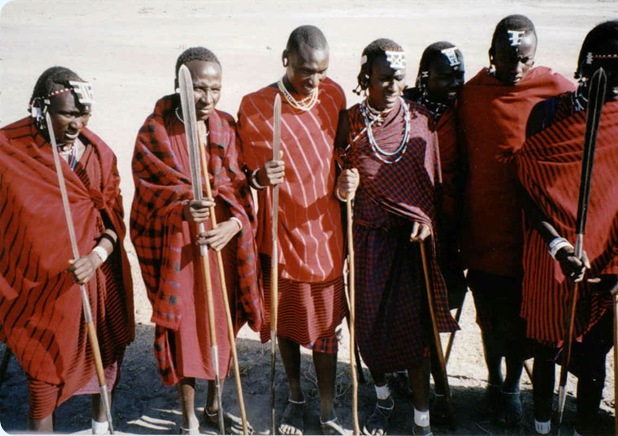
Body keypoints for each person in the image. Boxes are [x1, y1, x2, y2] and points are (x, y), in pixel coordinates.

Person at [516, 20, 618, 435]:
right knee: (545, 347)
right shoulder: (549, 114)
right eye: (614, 64)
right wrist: (557, 245)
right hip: (551, 254)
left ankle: (586, 425)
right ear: (587, 64)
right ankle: (541, 426)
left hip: (607, 263)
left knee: (594, 358)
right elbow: (527, 191)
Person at [130, 47, 262, 435]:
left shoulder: (225, 126)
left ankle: (214, 403)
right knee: (184, 329)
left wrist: (235, 225)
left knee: (220, 324)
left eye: (214, 89)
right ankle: (188, 418)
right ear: (179, 85)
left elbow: (240, 187)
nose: (207, 99)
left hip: (221, 243)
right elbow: (148, 193)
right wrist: (182, 209)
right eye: (198, 89)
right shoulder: (154, 131)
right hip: (179, 246)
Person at [0, 66, 135, 433]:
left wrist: (96, 257)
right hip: (35, 289)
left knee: (105, 355)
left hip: (95, 277)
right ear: (41, 108)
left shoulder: (98, 155)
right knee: (43, 371)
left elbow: (114, 224)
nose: (77, 123)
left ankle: (100, 425)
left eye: (83, 113)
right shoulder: (9, 153)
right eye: (67, 114)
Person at [336, 38, 458, 436]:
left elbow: (431, 187)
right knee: (369, 331)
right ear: (365, 76)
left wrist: (425, 221)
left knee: (415, 336)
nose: (392, 86)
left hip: (409, 246)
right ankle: (384, 398)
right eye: (384, 78)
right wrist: (344, 186)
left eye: (399, 79)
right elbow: (336, 182)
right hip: (368, 241)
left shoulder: (420, 119)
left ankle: (422, 419)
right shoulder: (350, 122)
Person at [456, 14, 573, 427]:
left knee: (529, 319)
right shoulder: (471, 94)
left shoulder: (556, 89)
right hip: (485, 229)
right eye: (508, 59)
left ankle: (513, 389)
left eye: (524, 59)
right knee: (490, 317)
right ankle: (495, 382)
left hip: (534, 232)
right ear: (492, 55)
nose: (517, 68)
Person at [236, 25, 347, 435]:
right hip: (280, 236)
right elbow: (241, 175)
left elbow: (344, 155)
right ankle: (296, 397)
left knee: (325, 328)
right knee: (286, 324)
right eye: (304, 70)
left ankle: (328, 407)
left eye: (320, 71)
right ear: (285, 59)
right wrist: (259, 177)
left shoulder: (334, 96)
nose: (313, 80)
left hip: (325, 234)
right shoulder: (255, 106)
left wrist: (346, 180)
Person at [403, 41, 466, 426]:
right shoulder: (406, 106)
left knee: (444, 306)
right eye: (447, 76)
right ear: (425, 76)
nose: (456, 82)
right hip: (411, 229)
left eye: (459, 75)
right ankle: (424, 389)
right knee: (415, 312)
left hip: (452, 228)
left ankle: (435, 385)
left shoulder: (463, 109)